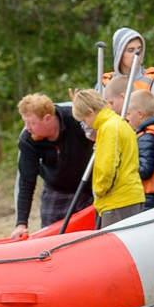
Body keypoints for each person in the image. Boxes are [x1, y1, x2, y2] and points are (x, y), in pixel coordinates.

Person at [11, 94, 95, 237]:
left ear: (48, 118)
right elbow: (26, 181)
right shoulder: (28, 139)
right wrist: (21, 223)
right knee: (52, 238)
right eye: (25, 122)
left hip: (88, 187)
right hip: (56, 190)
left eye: (31, 123)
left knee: (89, 236)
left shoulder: (75, 120)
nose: (27, 128)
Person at [71, 87, 146, 226]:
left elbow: (107, 167)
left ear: (90, 112)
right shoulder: (119, 123)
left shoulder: (108, 128)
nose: (86, 124)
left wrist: (98, 191)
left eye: (84, 119)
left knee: (114, 245)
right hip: (130, 196)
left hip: (118, 200)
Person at [126, 86, 154, 209]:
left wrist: (124, 162)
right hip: (149, 198)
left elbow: (145, 170)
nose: (127, 118)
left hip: (148, 200)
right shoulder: (149, 133)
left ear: (140, 113)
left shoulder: (147, 137)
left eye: (129, 113)